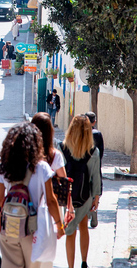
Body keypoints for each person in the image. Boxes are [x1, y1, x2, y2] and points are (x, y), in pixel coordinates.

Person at [0, 122, 64, 268]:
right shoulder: (41, 167)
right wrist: (59, 225)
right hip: (33, 230)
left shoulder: (3, 167)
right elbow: (51, 200)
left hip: (9, 227)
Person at [58, 115, 101, 268]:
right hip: (85, 195)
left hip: (68, 196)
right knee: (83, 224)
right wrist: (96, 197)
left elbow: (58, 173)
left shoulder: (62, 148)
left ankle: (71, 266)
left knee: (70, 230)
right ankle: (84, 262)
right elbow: (96, 176)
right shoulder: (93, 152)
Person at [32, 112, 76, 227]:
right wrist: (70, 209)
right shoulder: (55, 156)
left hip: (27, 208)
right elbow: (64, 183)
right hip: (49, 212)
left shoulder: (24, 155)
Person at [85, 111, 104, 228]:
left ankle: (88, 212)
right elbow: (101, 151)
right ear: (94, 121)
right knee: (95, 189)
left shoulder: (81, 133)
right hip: (95, 165)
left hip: (83, 166)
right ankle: (94, 210)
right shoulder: (97, 134)